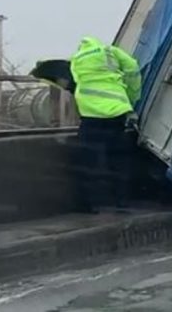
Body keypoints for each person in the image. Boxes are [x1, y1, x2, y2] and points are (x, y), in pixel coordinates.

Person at [70, 36, 141, 213]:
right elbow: (132, 67)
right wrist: (132, 96)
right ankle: (122, 201)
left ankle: (86, 205)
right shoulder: (110, 51)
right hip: (117, 112)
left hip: (90, 115)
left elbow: (76, 83)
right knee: (118, 159)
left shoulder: (76, 60)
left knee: (87, 161)